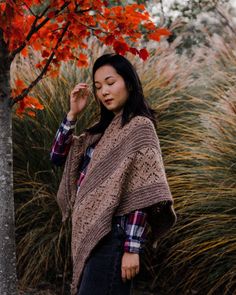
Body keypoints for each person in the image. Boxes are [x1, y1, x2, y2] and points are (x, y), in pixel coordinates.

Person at [50, 53, 176, 295]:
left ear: (128, 82)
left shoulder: (140, 127)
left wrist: (131, 248)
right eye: (98, 87)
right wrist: (72, 115)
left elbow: (140, 194)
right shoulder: (101, 132)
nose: (104, 92)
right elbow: (57, 157)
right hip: (94, 237)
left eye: (110, 82)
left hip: (114, 240)